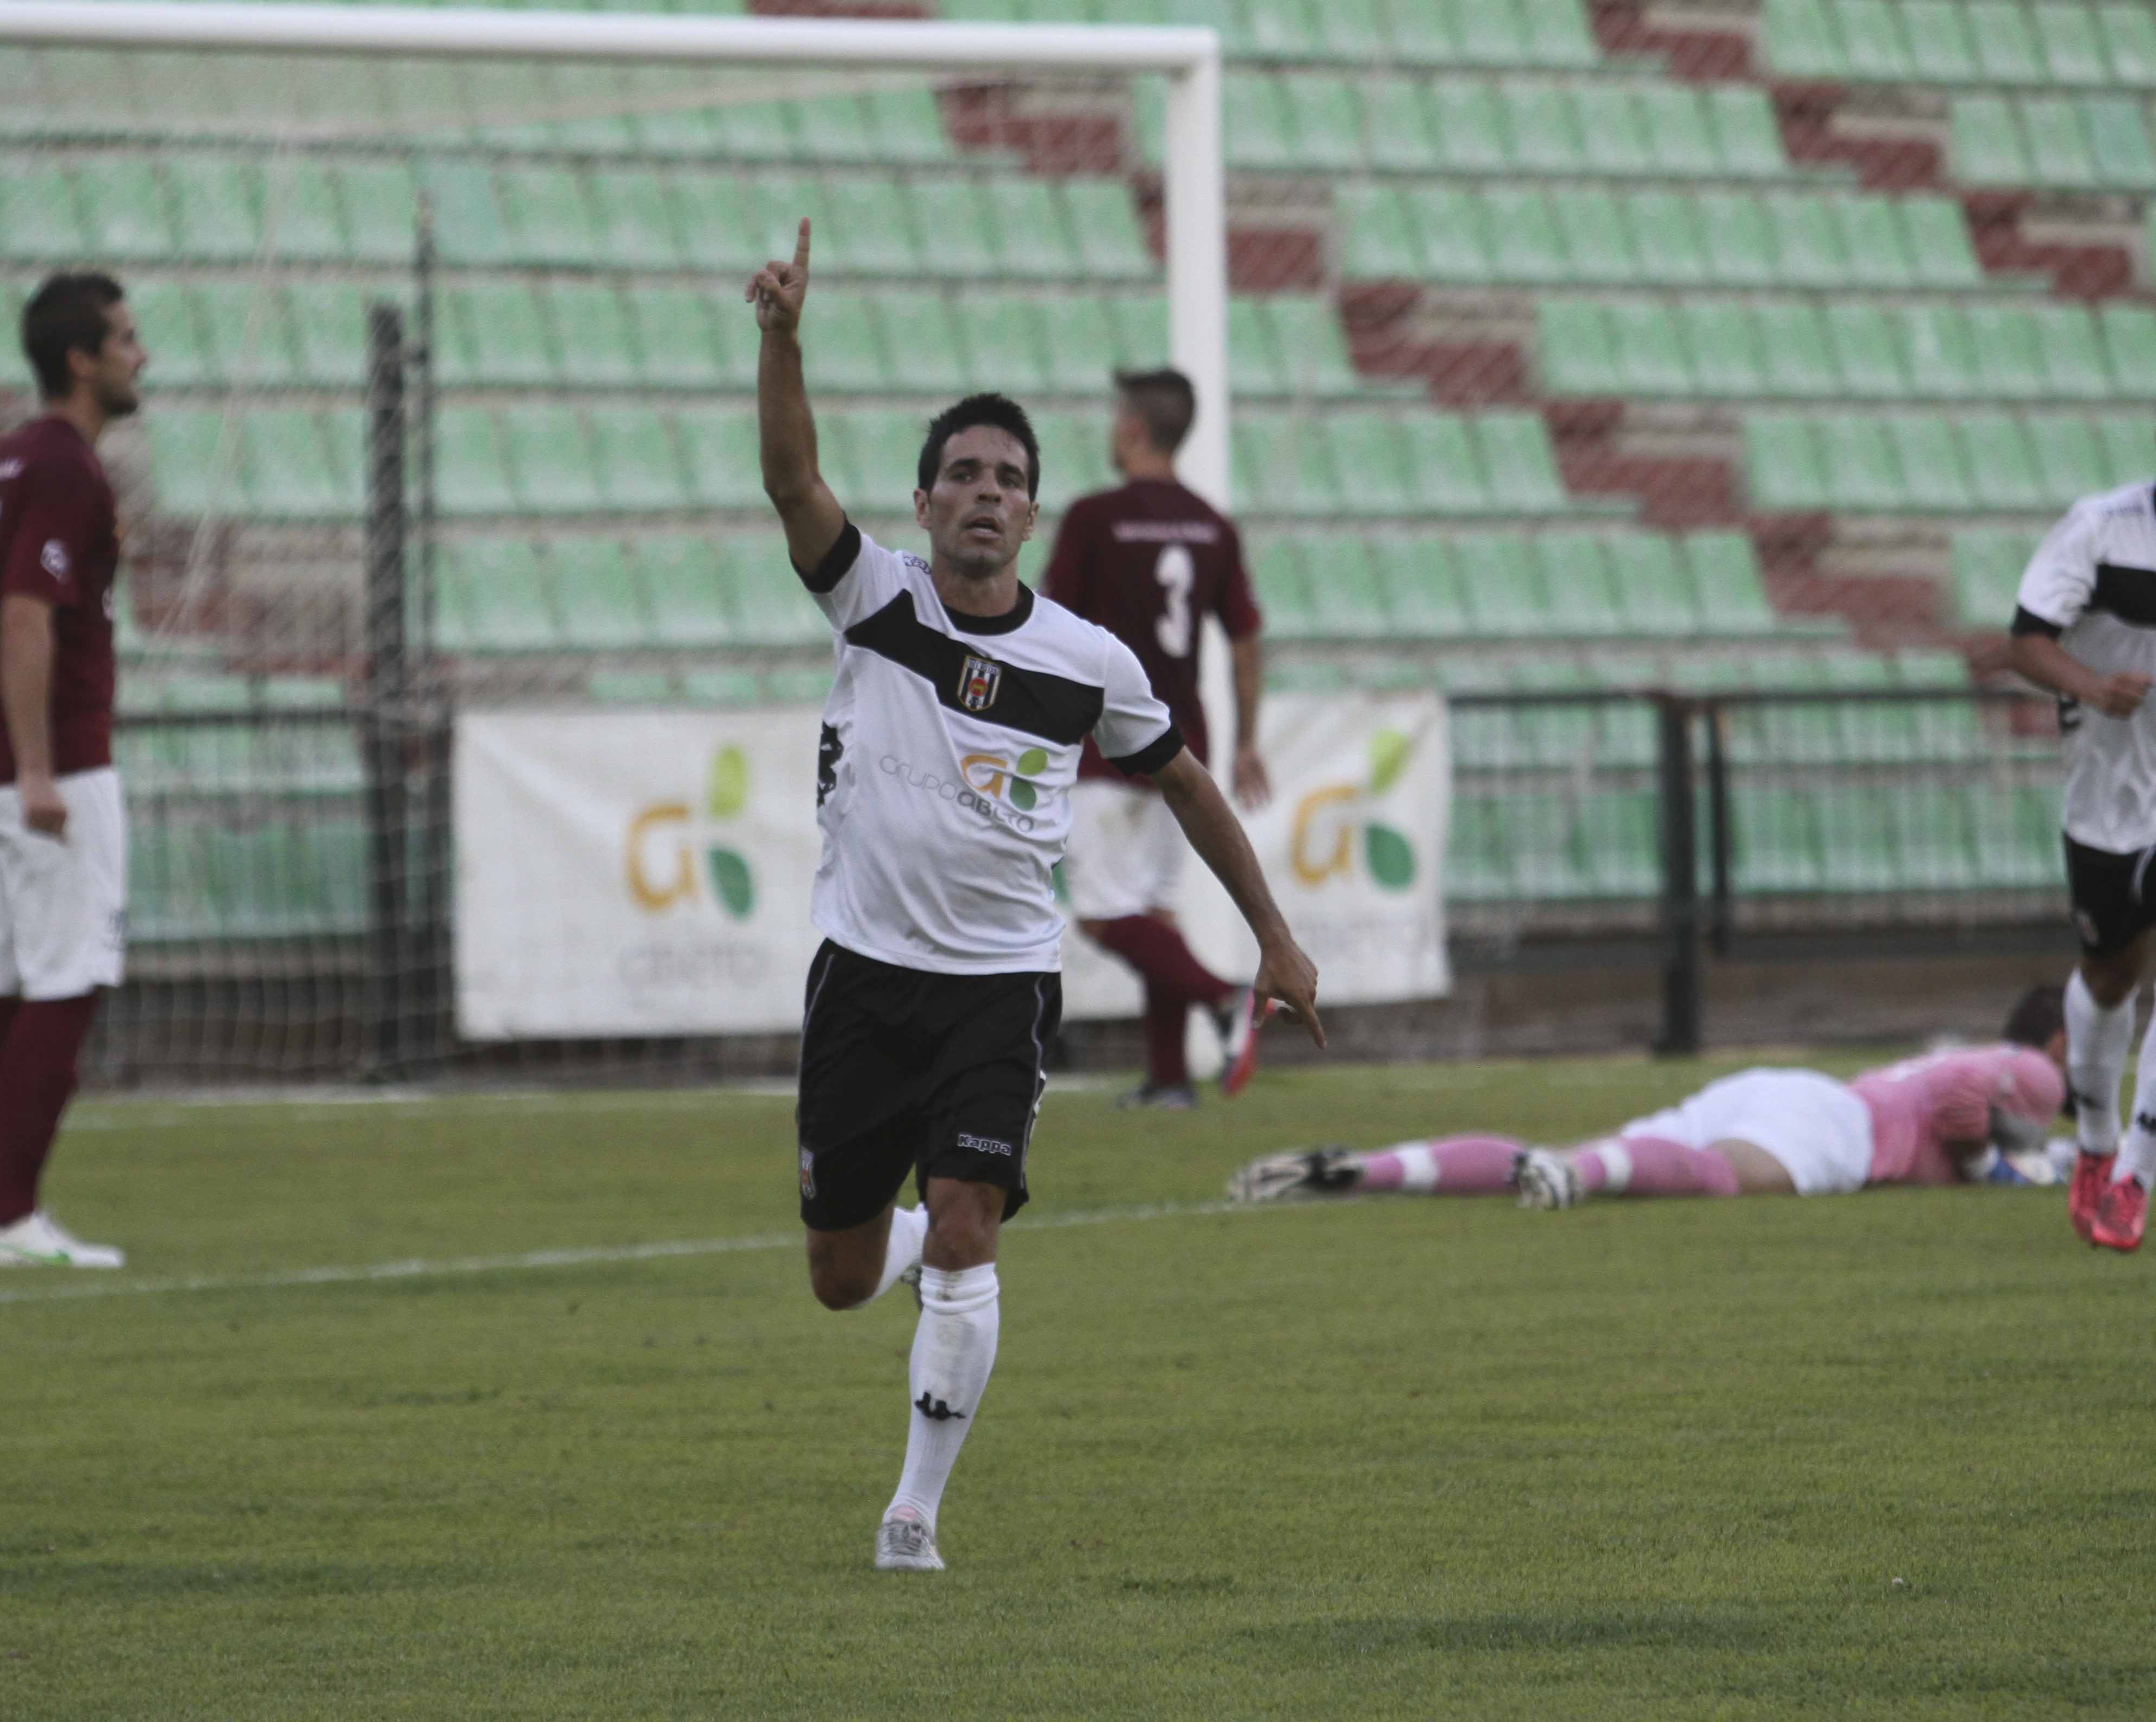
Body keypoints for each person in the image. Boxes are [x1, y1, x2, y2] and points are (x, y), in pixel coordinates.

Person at [747, 220, 1324, 1572]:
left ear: (1034, 509)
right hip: (862, 978)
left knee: (967, 1223)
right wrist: (780, 339)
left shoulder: (1091, 663)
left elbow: (1183, 782)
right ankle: (887, 1245)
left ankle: (914, 1515)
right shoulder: (873, 601)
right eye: (962, 474)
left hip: (1001, 991)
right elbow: (790, 481)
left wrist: (1279, 938)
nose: (986, 493)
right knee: (840, 1277)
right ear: (928, 501)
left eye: (1009, 477)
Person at [0, 272, 145, 1271]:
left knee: (4, 989)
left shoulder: (10, 459)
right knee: (70, 980)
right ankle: (12, 1218)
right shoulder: (62, 465)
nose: (142, 356)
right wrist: (41, 771)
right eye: (127, 339)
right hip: (47, 766)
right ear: (82, 358)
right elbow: (26, 615)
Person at [2010, 360, 2156, 1253]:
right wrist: (2092, 685)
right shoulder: (2101, 532)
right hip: (2107, 803)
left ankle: (2134, 1177)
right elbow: (2025, 643)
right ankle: (2095, 1144)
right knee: (2109, 979)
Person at [1232, 986, 2071, 1207]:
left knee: (1591, 1156)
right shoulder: (2039, 1069)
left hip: (1775, 1091)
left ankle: (1369, 1170)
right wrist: (1997, 1163)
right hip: (1835, 1121)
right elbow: (1966, 1100)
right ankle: (1579, 1183)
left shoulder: (1980, 1061)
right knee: (1716, 1176)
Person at [1040, 367, 1270, 1110]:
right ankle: (1170, 1081)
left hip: (1106, 745)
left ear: (1135, 429)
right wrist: (1245, 742)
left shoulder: (1094, 519)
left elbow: (1048, 628)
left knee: (1108, 917)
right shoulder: (1213, 526)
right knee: (1157, 915)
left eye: (1116, 419)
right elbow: (1244, 639)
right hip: (1185, 746)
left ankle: (1225, 997)